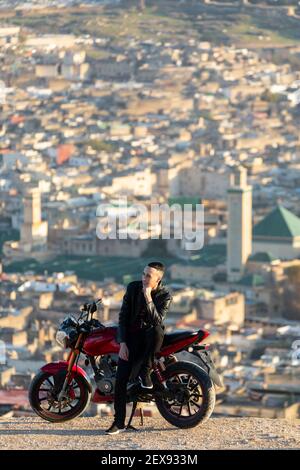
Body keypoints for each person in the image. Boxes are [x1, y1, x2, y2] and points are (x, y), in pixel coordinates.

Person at [105, 261, 172, 435]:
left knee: (157, 329)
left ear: (158, 279)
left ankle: (146, 370)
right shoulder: (133, 288)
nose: (144, 278)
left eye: (149, 276)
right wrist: (123, 343)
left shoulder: (165, 296)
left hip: (150, 341)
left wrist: (148, 296)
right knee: (120, 380)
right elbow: (123, 317)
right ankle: (118, 422)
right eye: (143, 274)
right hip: (131, 340)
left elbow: (157, 321)